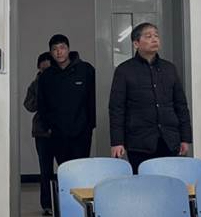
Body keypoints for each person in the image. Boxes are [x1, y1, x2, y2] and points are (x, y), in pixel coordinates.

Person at [109, 22, 192, 174]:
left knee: (170, 181)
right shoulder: (124, 70)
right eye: (148, 36)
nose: (154, 39)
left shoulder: (169, 68)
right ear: (136, 43)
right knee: (144, 183)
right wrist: (117, 141)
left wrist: (185, 138)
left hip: (169, 139)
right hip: (139, 141)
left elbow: (181, 105)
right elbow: (116, 108)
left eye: (156, 36)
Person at [37, 34, 96, 164]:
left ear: (68, 49)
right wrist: (48, 126)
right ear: (50, 52)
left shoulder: (86, 70)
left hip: (82, 132)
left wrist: (90, 125)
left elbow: (93, 98)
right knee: (64, 169)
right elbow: (42, 104)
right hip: (58, 134)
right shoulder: (46, 76)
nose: (59, 52)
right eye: (55, 49)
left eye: (62, 48)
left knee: (81, 168)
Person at [24, 52, 54, 216]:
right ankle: (47, 204)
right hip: (42, 132)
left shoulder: (60, 80)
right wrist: (41, 100)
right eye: (43, 69)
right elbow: (28, 105)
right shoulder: (35, 84)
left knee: (67, 168)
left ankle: (66, 204)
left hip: (61, 131)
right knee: (45, 170)